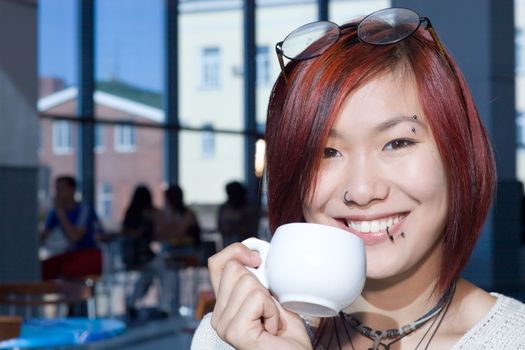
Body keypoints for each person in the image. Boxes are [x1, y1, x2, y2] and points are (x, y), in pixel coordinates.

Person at [192, 7, 525, 350]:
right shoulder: (231, 338)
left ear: (457, 156)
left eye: (398, 143)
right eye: (327, 152)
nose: (362, 191)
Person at [41, 175, 102, 280]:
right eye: (56, 189)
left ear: (72, 190)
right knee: (43, 268)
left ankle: (74, 296)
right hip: (70, 254)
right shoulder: (55, 212)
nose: (58, 193)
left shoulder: (84, 209)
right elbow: (43, 237)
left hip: (89, 254)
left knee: (68, 270)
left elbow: (74, 237)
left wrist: (60, 212)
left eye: (61, 188)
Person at [121, 184, 167, 317]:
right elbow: (157, 234)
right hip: (140, 255)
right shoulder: (143, 215)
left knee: (147, 277)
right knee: (162, 269)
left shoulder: (132, 213)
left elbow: (158, 235)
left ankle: (131, 303)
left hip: (139, 256)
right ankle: (164, 306)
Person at [217, 181, 259, 247]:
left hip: (247, 245)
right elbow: (222, 228)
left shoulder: (249, 209)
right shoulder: (224, 209)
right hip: (228, 245)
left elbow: (250, 229)